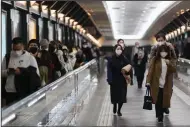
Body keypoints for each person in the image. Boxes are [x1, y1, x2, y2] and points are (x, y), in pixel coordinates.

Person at [1, 37, 40, 105]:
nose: (16, 52)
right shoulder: (7, 57)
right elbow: (1, 72)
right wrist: (8, 72)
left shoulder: (30, 58)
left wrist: (22, 71)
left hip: (24, 91)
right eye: (14, 49)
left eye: (18, 49)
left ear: (23, 47)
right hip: (10, 91)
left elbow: (36, 75)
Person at [146, 44, 176, 123]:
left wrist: (169, 63)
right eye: (162, 51)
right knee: (158, 100)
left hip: (166, 84)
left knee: (165, 100)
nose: (163, 53)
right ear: (159, 52)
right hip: (156, 83)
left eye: (165, 51)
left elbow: (174, 70)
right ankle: (159, 116)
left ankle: (163, 111)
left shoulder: (170, 60)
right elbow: (150, 71)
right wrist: (148, 82)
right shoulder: (155, 60)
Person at [107, 44, 132, 116]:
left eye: (120, 49)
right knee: (115, 95)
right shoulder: (111, 59)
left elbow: (129, 66)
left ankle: (119, 110)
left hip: (122, 79)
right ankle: (115, 105)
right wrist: (109, 79)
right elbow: (109, 70)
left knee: (122, 96)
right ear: (115, 50)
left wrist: (127, 74)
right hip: (114, 80)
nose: (119, 50)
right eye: (117, 49)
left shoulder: (124, 58)